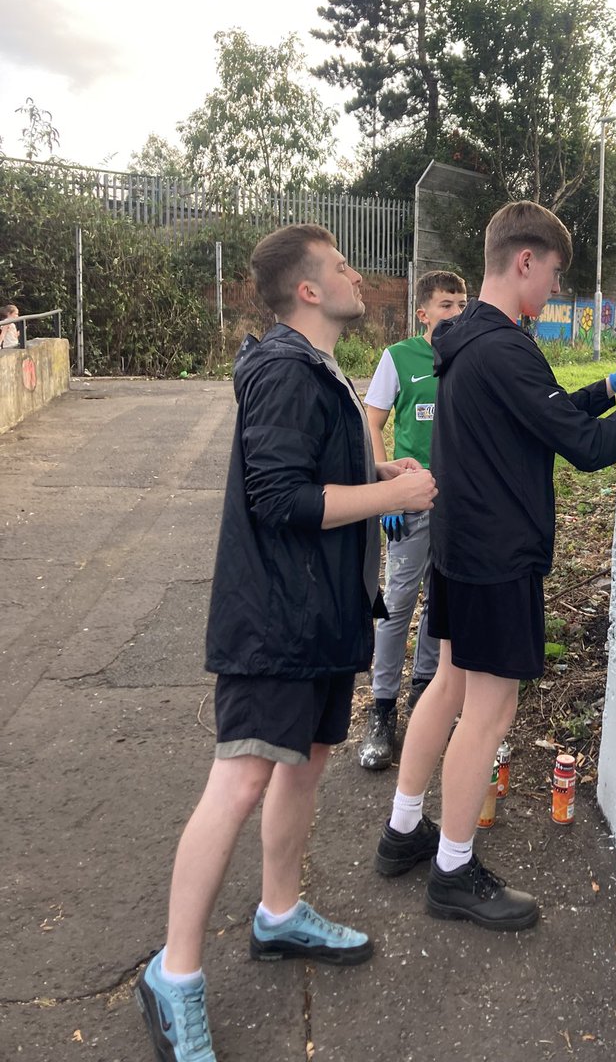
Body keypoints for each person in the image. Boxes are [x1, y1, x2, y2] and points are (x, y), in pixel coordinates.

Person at [135, 224, 437, 1062]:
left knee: (305, 765)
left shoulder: (318, 369)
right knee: (237, 783)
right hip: (273, 623)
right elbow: (279, 497)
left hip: (321, 617)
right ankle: (175, 975)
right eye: (342, 266)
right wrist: (390, 498)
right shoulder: (280, 369)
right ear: (308, 289)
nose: (355, 277)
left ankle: (278, 914)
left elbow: (311, 474)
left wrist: (384, 479)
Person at [374, 200, 616, 929]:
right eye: (553, 273)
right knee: (489, 715)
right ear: (525, 261)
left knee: (447, 686)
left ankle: (403, 831)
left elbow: (541, 417)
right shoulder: (504, 348)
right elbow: (584, 449)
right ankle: (453, 873)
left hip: (460, 549)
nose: (554, 288)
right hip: (497, 558)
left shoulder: (466, 343)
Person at [359, 270, 468, 769]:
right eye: (446, 305)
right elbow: (372, 421)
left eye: (462, 304)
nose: (456, 313)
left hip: (460, 504)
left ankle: (424, 697)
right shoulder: (399, 358)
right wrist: (386, 494)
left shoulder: (471, 354)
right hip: (410, 502)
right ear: (423, 313)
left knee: (441, 603)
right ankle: (381, 709)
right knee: (398, 602)